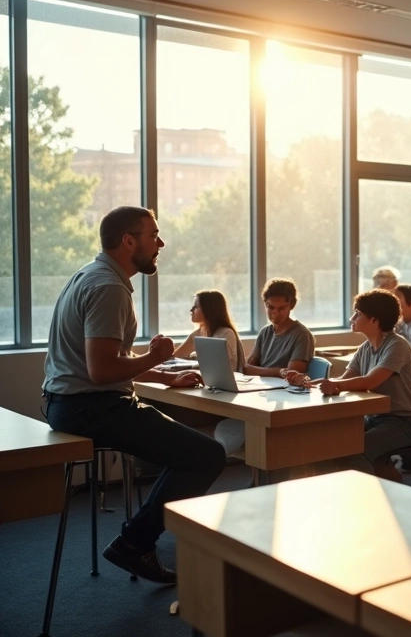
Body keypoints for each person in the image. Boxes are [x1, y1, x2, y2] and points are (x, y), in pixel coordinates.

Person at [42, 206, 225, 583]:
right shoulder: (109, 288)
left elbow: (108, 362)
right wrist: (155, 357)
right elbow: (102, 371)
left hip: (69, 403)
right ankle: (134, 543)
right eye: (153, 235)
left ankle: (138, 539)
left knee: (187, 452)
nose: (161, 243)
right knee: (206, 455)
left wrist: (163, 375)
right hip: (92, 408)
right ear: (128, 241)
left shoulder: (90, 275)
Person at [294, 290, 411, 482]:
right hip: (374, 417)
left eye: (358, 313)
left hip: (405, 422)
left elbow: (369, 381)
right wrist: (311, 383)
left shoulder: (397, 345)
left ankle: (368, 496)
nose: (352, 318)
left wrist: (334, 385)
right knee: (326, 446)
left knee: (356, 452)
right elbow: (346, 379)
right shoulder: (365, 348)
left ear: (374, 320)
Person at [213, 278, 316, 458]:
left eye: (281, 308)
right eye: (270, 307)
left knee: (236, 427)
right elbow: (247, 367)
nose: (275, 313)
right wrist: (278, 371)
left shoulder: (301, 334)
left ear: (291, 306)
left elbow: (292, 374)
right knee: (227, 421)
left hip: (284, 400)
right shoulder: (265, 332)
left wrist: (271, 372)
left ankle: (222, 456)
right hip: (262, 394)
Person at [172, 290, 245, 372]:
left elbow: (219, 367)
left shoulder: (226, 334)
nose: (191, 310)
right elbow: (175, 357)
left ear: (208, 310)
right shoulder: (198, 333)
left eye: (196, 307)